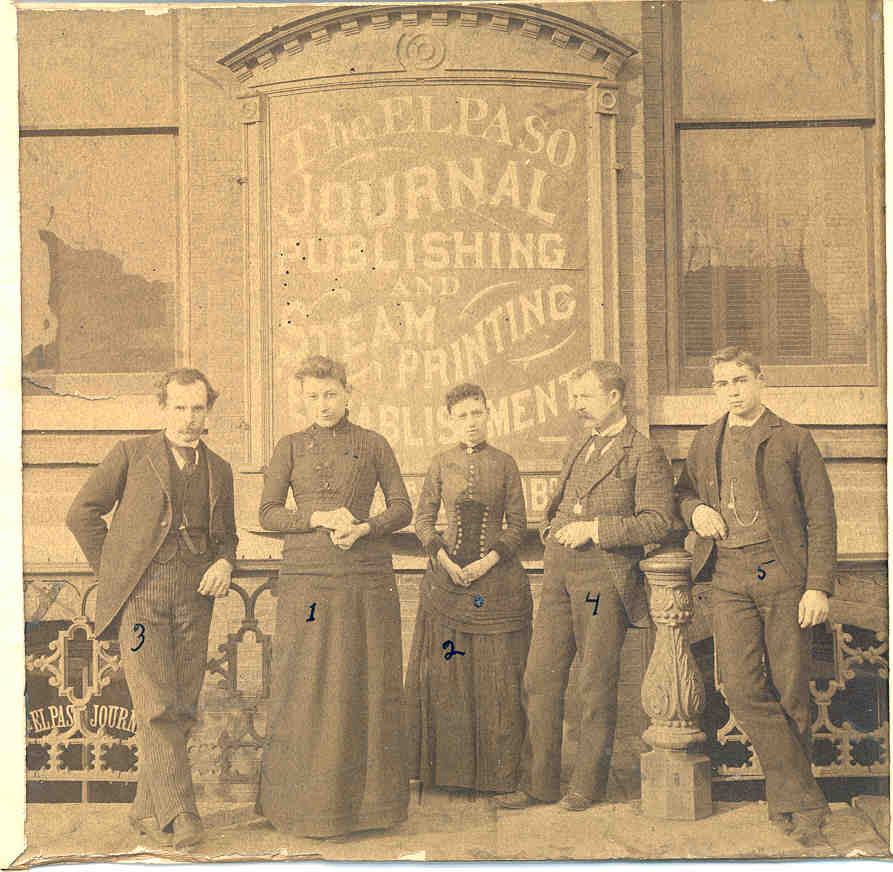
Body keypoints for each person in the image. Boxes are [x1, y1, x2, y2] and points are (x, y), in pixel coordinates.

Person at [66, 368, 238, 850]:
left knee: (181, 707)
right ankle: (183, 812)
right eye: (179, 407)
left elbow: (227, 536)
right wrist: (115, 570)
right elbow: (81, 514)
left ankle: (146, 808)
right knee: (156, 705)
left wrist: (225, 562)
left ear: (208, 410)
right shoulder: (130, 454)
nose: (189, 418)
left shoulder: (219, 469)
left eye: (198, 408)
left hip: (195, 601)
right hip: (141, 603)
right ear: (162, 408)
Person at [497, 360, 675, 811]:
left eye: (586, 396)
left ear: (614, 397)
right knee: (539, 677)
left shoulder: (644, 453)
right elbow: (561, 502)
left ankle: (587, 785)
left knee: (594, 683)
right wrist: (551, 530)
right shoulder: (580, 443)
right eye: (575, 396)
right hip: (560, 572)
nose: (577, 405)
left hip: (603, 578)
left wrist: (595, 529)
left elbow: (658, 521)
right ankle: (538, 783)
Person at [674, 346, 834, 845]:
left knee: (791, 692)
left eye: (741, 380)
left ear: (761, 380)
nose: (732, 391)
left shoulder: (793, 439)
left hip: (782, 573)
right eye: (722, 383)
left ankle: (789, 805)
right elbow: (682, 493)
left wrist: (817, 586)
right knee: (741, 689)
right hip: (729, 575)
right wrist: (696, 511)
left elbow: (822, 517)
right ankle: (806, 796)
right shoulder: (706, 439)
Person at [256, 354, 412, 840]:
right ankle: (303, 808)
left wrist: (365, 527)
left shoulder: (374, 443)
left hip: (365, 578)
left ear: (347, 393)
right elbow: (268, 513)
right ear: (302, 399)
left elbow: (402, 507)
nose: (322, 404)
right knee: (306, 684)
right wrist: (317, 518)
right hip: (306, 579)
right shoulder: (289, 446)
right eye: (313, 396)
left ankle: (368, 812)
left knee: (364, 685)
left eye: (330, 394)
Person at [406, 383, 532, 795]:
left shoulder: (505, 463)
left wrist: (485, 562)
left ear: (488, 413)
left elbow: (517, 526)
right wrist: (445, 560)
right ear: (450, 421)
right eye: (462, 416)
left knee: (496, 677)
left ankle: (497, 776)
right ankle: (452, 776)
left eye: (477, 413)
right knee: (450, 675)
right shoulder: (441, 463)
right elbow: (423, 521)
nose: (471, 422)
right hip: (448, 583)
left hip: (496, 583)